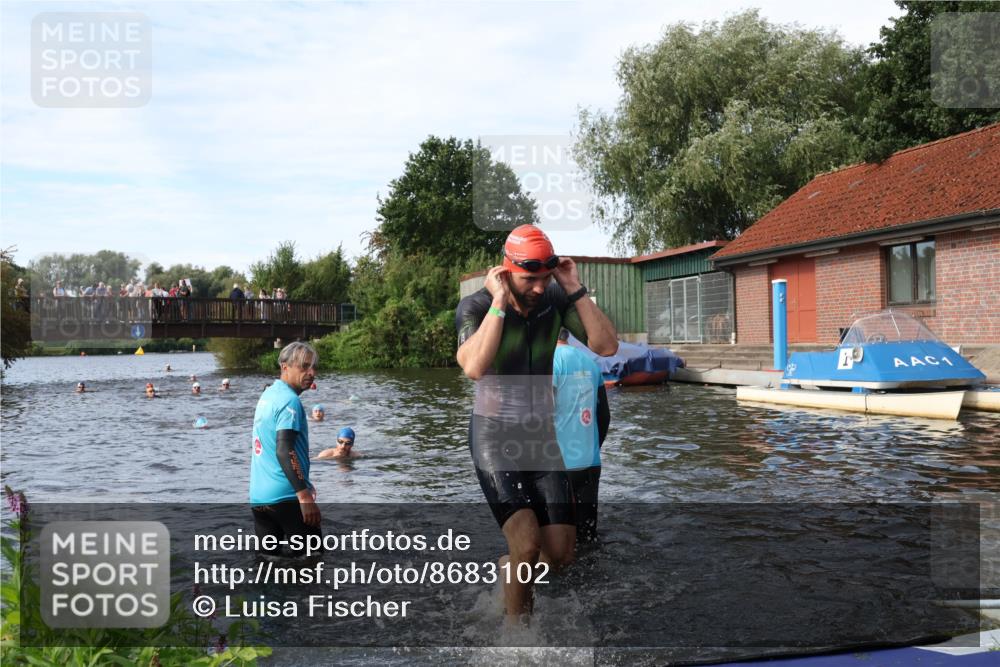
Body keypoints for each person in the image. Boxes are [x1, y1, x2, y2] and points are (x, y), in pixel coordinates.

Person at [455, 224, 618, 624]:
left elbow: (606, 346)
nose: (541, 288)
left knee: (562, 553)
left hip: (541, 438)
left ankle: (509, 567)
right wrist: (499, 303)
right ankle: (517, 639)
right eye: (531, 279)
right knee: (527, 544)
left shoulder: (556, 298)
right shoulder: (475, 306)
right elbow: (474, 367)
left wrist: (574, 287)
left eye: (546, 278)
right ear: (506, 270)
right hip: (494, 436)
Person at [249, 342, 321, 558]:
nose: (311, 373)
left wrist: (304, 481)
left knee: (268, 566)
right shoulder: (290, 401)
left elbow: (272, 448)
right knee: (312, 563)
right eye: (304, 367)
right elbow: (284, 449)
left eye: (313, 367)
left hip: (260, 499)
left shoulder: (268, 395)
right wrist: (304, 495)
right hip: (287, 497)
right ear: (285, 366)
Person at [553, 328, 610, 544]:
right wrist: (593, 447)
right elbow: (604, 415)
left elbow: (541, 414)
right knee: (587, 536)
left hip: (558, 466)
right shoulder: (590, 362)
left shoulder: (550, 363)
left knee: (559, 542)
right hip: (590, 463)